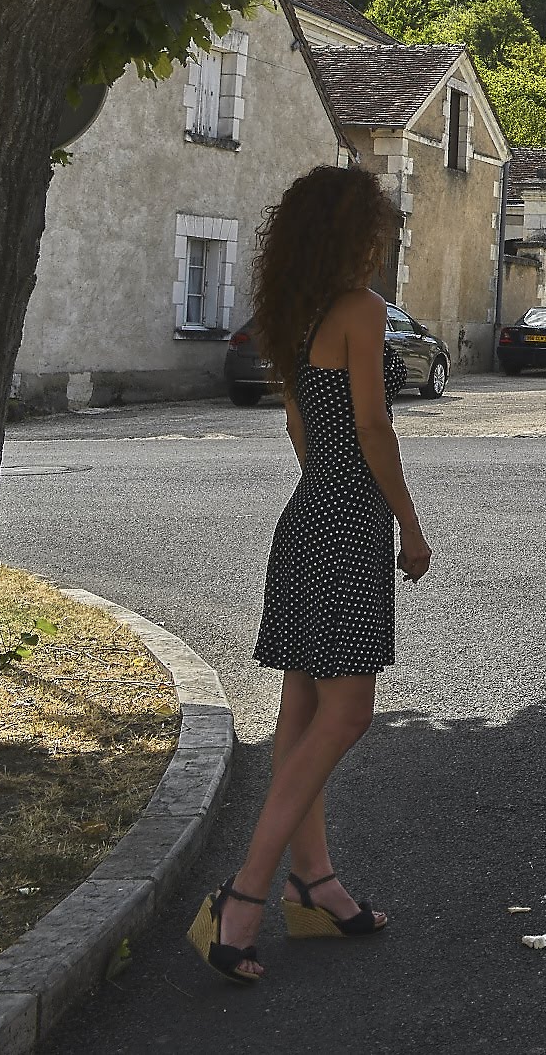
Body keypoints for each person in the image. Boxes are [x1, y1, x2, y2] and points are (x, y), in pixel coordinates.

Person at [189, 165, 433, 984]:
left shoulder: (298, 316)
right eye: (376, 233)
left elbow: (303, 424)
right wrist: (409, 521)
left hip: (304, 515)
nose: (382, 247)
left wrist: (326, 484)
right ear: (348, 236)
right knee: (348, 711)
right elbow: (372, 425)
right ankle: (246, 893)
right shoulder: (362, 313)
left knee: (301, 707)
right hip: (347, 521)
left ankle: (314, 879)